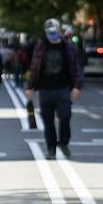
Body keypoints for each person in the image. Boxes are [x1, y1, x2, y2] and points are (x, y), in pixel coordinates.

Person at [26, 18, 83, 160]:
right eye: (48, 32)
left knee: (65, 116)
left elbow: (75, 67)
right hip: (45, 90)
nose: (51, 34)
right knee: (48, 121)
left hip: (63, 88)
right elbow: (34, 67)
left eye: (53, 32)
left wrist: (76, 86)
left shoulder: (67, 46)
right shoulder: (41, 46)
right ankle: (51, 149)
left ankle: (63, 143)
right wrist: (30, 86)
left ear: (58, 31)